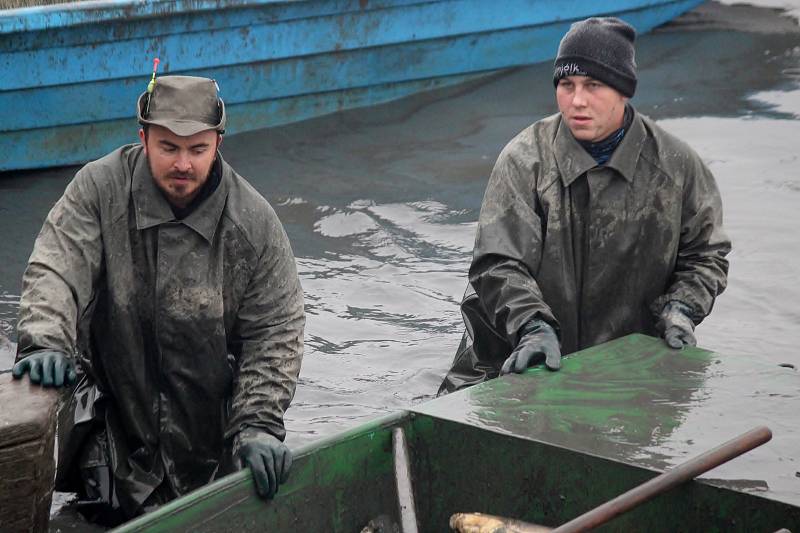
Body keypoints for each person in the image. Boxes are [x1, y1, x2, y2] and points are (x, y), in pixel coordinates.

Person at [11, 75, 305, 524]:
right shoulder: (99, 188)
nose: (183, 164)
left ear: (218, 143)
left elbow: (277, 330)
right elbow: (57, 264)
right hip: (112, 423)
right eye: (169, 147)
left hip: (208, 431)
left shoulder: (254, 223)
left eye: (198, 150)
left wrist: (260, 422)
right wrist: (45, 339)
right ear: (143, 137)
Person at [439, 17, 731, 394]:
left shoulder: (676, 166)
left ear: (624, 90)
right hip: (515, 360)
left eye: (594, 85)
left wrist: (683, 310)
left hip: (625, 371)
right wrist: (533, 327)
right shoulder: (525, 160)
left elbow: (706, 255)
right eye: (566, 84)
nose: (577, 100)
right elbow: (498, 263)